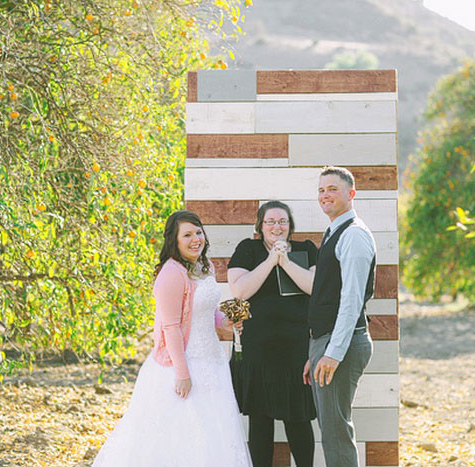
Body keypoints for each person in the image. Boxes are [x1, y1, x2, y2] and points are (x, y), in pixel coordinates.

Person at [92, 210, 252, 467]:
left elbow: (206, 313)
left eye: (198, 232)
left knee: (214, 435)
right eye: (187, 235)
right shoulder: (171, 273)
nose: (195, 239)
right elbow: (171, 327)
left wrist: (226, 322)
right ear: (174, 241)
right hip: (182, 364)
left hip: (213, 363)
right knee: (181, 436)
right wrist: (183, 374)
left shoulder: (205, 266)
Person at [227, 200, 317, 467]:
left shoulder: (307, 249)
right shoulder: (248, 249)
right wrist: (271, 260)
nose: (277, 227)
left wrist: (286, 261)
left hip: (296, 348)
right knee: (260, 418)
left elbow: (314, 286)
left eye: (283, 221)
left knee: (298, 417)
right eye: (271, 222)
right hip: (258, 348)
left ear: (290, 226)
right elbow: (240, 291)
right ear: (260, 226)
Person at [303, 166, 376, 467]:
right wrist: (317, 351)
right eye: (321, 190)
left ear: (351, 193)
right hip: (328, 342)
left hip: (341, 344)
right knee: (332, 429)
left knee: (336, 432)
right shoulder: (334, 231)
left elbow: (351, 302)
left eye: (332, 189)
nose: (325, 195)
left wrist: (332, 353)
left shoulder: (354, 235)